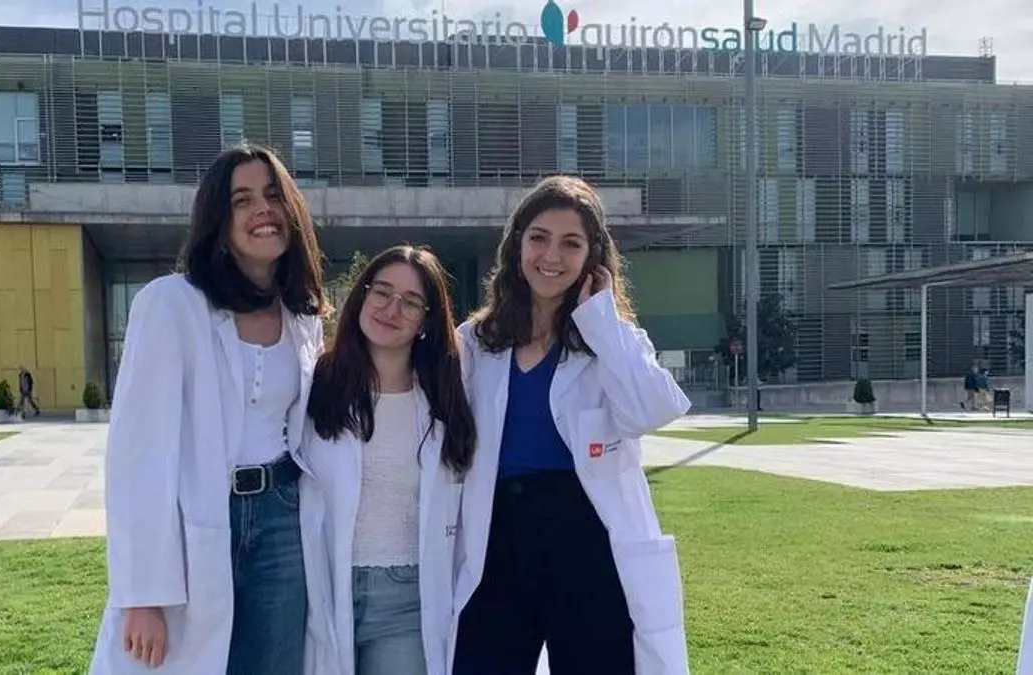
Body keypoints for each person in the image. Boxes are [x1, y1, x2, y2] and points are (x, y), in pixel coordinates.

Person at [89, 143, 330, 675]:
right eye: (242, 200)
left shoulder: (302, 316)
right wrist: (142, 595)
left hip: (282, 519)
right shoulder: (171, 303)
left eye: (273, 195)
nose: (262, 209)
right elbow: (136, 454)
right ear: (219, 222)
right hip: (197, 519)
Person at [451, 175, 693, 674]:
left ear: (593, 257)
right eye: (539, 238)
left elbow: (654, 410)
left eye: (571, 244)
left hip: (584, 539)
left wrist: (599, 318)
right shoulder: (476, 340)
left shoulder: (610, 341)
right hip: (496, 537)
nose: (551, 256)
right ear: (517, 244)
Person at [301, 246, 476, 675]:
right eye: (381, 292)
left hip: (406, 601)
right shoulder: (314, 385)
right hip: (319, 588)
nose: (391, 309)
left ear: (427, 321)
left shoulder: (447, 399)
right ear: (361, 296)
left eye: (411, 302)